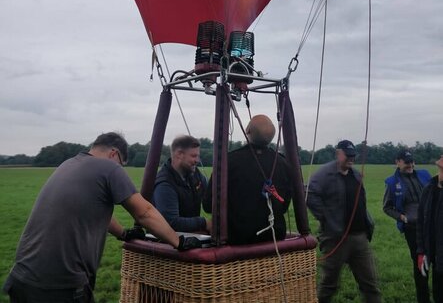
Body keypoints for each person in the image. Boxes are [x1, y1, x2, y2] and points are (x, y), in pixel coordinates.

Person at [3, 132, 199, 303]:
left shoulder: (68, 164)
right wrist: (178, 241)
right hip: (60, 286)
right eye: (121, 164)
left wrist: (124, 233)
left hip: (21, 279)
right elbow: (144, 212)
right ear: (114, 153)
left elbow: (96, 211)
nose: (120, 170)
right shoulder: (109, 168)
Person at [307, 139, 381, 303]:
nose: (351, 159)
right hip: (336, 240)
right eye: (347, 155)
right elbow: (310, 195)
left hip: (360, 238)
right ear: (338, 153)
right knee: (328, 286)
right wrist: (326, 218)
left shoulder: (355, 174)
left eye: (353, 156)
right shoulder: (324, 174)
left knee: (371, 284)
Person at [203, 114, 292, 245]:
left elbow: (208, 205)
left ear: (247, 131)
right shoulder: (283, 163)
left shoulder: (229, 161)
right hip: (274, 237)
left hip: (238, 240)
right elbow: (283, 206)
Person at [383, 148, 432, 303]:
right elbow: (387, 207)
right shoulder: (392, 183)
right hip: (413, 229)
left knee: (438, 260)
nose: (410, 165)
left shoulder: (425, 175)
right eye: (406, 162)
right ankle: (423, 299)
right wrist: (401, 217)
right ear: (397, 162)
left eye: (412, 162)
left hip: (432, 226)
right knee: (420, 263)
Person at [153, 135, 209, 233]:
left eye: (198, 156)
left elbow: (211, 195)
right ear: (179, 154)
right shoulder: (165, 184)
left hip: (189, 236)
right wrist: (204, 223)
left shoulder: (195, 174)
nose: (197, 160)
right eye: (193, 156)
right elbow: (171, 223)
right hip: (166, 242)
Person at [416, 154, 443, 303]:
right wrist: (421, 251)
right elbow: (421, 222)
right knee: (438, 293)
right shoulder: (429, 190)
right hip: (434, 255)